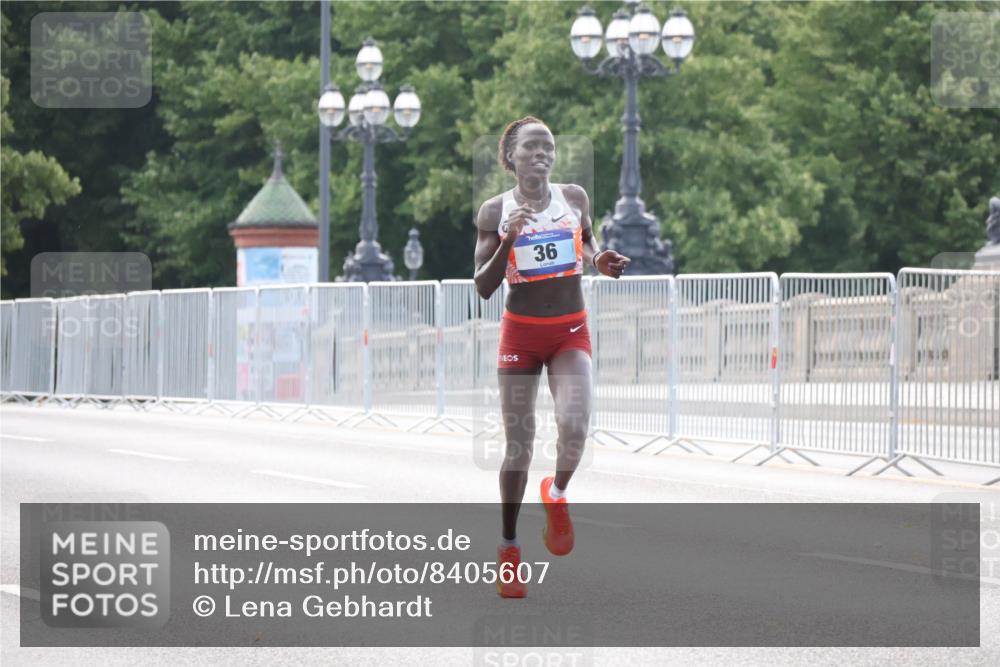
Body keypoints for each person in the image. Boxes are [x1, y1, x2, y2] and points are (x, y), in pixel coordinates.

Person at [473, 117, 630, 598]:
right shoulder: (494, 210)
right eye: (531, 147)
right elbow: (482, 286)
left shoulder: (575, 198)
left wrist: (600, 260)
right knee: (518, 446)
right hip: (521, 333)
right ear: (511, 157)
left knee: (576, 424)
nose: (542, 153)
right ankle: (509, 549)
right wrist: (507, 241)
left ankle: (557, 494)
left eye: (549, 147)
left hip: (569, 330)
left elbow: (586, 247)